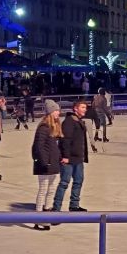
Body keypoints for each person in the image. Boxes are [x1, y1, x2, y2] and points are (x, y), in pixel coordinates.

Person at [51, 99, 89, 213]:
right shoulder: (69, 121)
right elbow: (65, 140)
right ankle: (56, 208)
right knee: (64, 182)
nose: (85, 110)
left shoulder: (78, 121)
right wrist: (65, 156)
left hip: (78, 158)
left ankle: (74, 205)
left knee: (78, 181)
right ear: (75, 108)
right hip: (68, 158)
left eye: (85, 108)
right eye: (82, 107)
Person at [31, 100, 63, 231]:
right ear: (50, 112)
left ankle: (47, 215)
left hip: (54, 164)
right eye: (56, 110)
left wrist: (59, 158)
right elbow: (39, 147)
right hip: (45, 166)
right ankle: (38, 219)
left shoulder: (54, 126)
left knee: (51, 191)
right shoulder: (43, 127)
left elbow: (54, 147)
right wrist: (45, 162)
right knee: (43, 191)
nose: (58, 113)